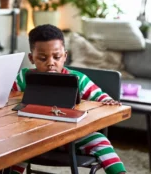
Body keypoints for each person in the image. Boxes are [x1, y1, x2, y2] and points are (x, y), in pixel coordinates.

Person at [11, 24, 126, 174]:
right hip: (32, 138)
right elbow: (7, 98)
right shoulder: (23, 77)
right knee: (13, 149)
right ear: (32, 58)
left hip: (71, 139)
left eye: (56, 57)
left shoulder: (78, 79)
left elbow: (102, 98)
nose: (50, 62)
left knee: (101, 141)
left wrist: (107, 101)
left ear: (65, 56)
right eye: (42, 58)